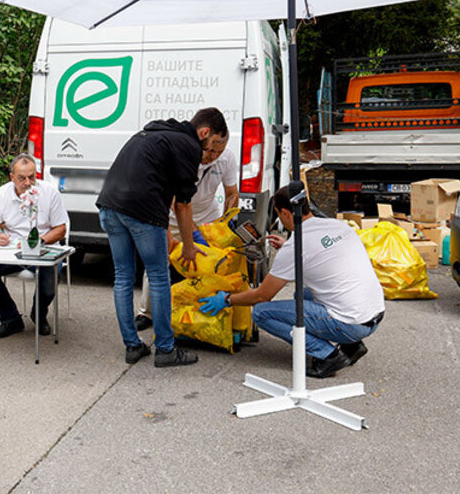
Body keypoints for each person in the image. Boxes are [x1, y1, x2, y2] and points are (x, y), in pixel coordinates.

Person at [198, 185, 385, 378]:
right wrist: (287, 246)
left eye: (279, 214)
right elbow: (321, 254)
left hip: (350, 323)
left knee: (262, 313)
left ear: (286, 213)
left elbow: (262, 295)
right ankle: (352, 346)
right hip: (374, 314)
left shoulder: (297, 246)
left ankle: (328, 355)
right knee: (301, 295)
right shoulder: (337, 226)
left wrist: (226, 299)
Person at [96, 107, 228, 368]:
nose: (210, 155)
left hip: (109, 206)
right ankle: (166, 349)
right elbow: (182, 205)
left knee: (123, 277)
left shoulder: (154, 133)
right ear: (204, 132)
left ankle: (133, 346)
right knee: (159, 277)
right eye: (212, 145)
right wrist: (189, 247)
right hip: (141, 212)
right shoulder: (188, 146)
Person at [134, 131, 240, 331]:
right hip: (175, 216)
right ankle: (145, 312)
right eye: (209, 150)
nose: (213, 155)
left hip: (208, 218)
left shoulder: (227, 158)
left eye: (218, 151)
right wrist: (192, 236)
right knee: (159, 262)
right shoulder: (186, 157)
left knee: (208, 268)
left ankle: (200, 314)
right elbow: (176, 202)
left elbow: (232, 194)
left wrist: (227, 222)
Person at [0, 153, 69, 339]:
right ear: (12, 177)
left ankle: (39, 314)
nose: (28, 182)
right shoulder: (1, 194)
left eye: (32, 177)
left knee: (51, 271)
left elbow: (61, 229)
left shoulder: (49, 192)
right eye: (22, 178)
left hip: (43, 248)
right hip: (13, 250)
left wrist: (41, 240)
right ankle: (10, 318)